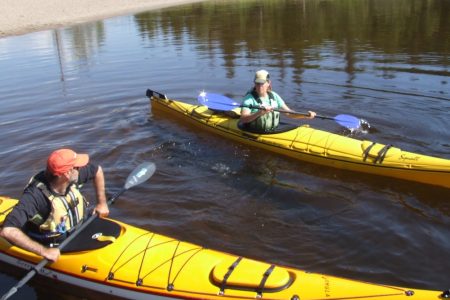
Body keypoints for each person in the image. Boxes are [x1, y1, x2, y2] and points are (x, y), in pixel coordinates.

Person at [0, 148, 109, 262]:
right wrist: (43, 251)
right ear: (67, 173)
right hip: (51, 242)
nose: (80, 169)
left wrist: (102, 204)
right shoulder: (35, 197)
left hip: (78, 229)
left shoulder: (70, 176)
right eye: (77, 167)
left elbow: (97, 170)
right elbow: (7, 230)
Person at [239, 70, 316, 132]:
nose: (259, 86)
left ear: (268, 83)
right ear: (254, 83)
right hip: (253, 131)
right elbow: (243, 119)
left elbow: (289, 113)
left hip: (272, 131)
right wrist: (260, 112)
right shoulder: (249, 99)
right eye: (257, 83)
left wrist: (305, 115)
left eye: (262, 83)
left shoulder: (274, 96)